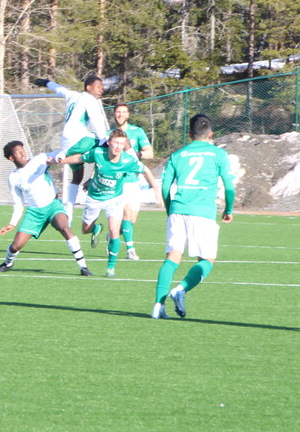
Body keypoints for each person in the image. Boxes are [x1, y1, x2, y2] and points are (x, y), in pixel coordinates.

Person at [151, 113, 234, 320]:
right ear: (211, 134)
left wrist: (170, 210)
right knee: (207, 260)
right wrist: (229, 209)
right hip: (203, 212)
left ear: (189, 133)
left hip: (178, 210)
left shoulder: (178, 155)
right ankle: (181, 289)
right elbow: (229, 186)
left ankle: (158, 306)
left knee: (172, 258)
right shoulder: (219, 154)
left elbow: (165, 187)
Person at [57, 128, 158, 277]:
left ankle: (111, 267)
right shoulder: (98, 153)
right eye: (116, 143)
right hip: (94, 197)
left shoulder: (127, 160)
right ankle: (96, 228)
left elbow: (145, 170)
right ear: (109, 142)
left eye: (122, 144)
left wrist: (156, 189)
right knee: (85, 229)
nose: (118, 147)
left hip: (114, 198)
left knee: (114, 231)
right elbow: (79, 158)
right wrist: (62, 161)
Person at [0, 141, 92, 276]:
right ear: (11, 158)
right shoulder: (13, 178)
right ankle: (8, 263)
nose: (23, 153)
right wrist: (12, 223)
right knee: (16, 246)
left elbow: (59, 153)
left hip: (53, 205)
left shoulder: (38, 160)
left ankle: (83, 267)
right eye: (18, 152)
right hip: (35, 212)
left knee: (64, 228)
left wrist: (56, 158)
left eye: (23, 150)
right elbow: (19, 203)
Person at [31, 75, 110, 222]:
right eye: (99, 87)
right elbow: (97, 121)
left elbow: (59, 89)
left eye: (102, 88)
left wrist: (46, 83)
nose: (101, 90)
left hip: (67, 142)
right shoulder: (90, 100)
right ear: (88, 87)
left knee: (77, 177)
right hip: (79, 140)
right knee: (109, 146)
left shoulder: (73, 95)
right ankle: (93, 179)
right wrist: (105, 141)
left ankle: (69, 213)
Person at [113, 103, 154, 261]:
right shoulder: (109, 134)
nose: (120, 115)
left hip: (134, 180)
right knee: (126, 212)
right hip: (118, 180)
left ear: (128, 114)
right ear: (114, 114)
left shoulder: (137, 132)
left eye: (123, 112)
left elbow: (149, 153)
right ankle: (130, 250)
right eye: (118, 112)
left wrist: (135, 154)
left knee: (131, 219)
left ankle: (112, 236)